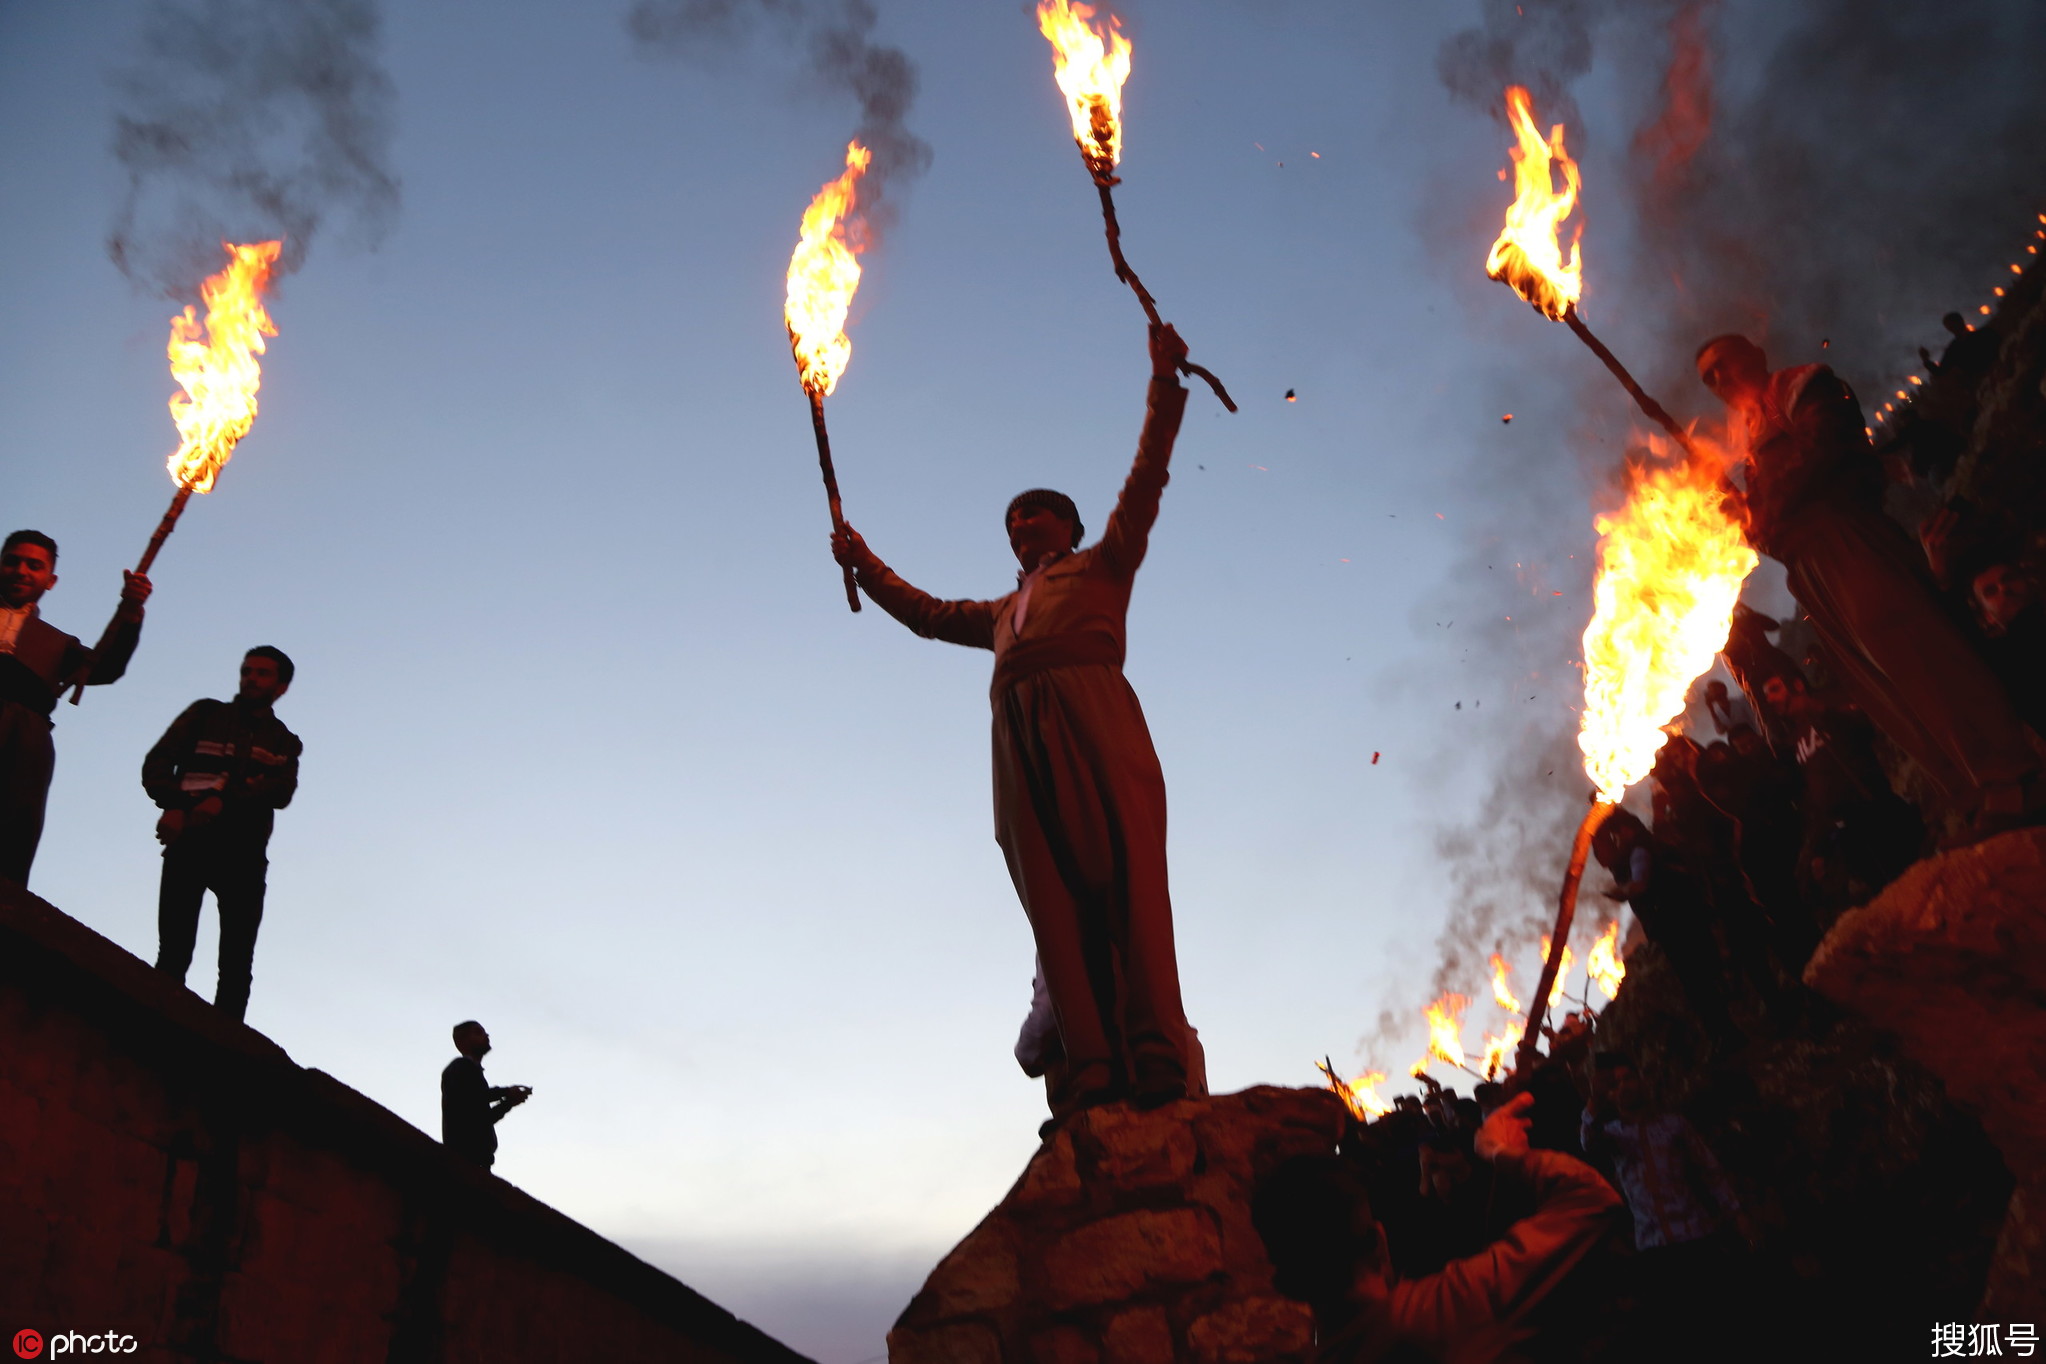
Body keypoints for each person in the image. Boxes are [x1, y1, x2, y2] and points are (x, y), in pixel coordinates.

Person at [832, 323, 1197, 1120]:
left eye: (1035, 515)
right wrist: (865, 563)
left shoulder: (1103, 567)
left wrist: (1164, 386)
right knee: (1052, 899)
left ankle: (1158, 1054)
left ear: (1067, 527)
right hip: (1016, 738)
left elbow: (1145, 481)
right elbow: (928, 615)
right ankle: (1090, 1062)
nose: (1021, 525)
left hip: (1093, 712)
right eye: (1012, 522)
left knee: (1130, 880)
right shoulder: (1002, 612)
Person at [1696, 335, 2039, 837]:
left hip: (1847, 536)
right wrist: (1741, 510)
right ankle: (1972, 798)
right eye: (1709, 378)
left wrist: (1766, 509)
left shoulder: (1800, 385)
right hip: (1809, 572)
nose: (1719, 381)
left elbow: (1828, 450)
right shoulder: (1749, 444)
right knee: (1883, 689)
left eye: (1723, 366)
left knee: (1920, 655)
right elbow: (1766, 535)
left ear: (1754, 355)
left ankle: (2013, 779)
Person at [1253, 1093, 1621, 1363]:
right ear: (1379, 1242)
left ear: (1285, 1282)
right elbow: (1591, 1199)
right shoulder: (1447, 1310)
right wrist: (1498, 1151)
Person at [142, 648, 302, 1021]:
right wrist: (178, 805)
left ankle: (223, 1049)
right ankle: (154, 1025)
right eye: (247, 671)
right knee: (174, 951)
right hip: (190, 840)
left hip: (244, 852)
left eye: (263, 673)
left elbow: (281, 793)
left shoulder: (285, 741)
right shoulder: (205, 714)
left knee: (235, 965)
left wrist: (218, 798)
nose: (251, 678)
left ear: (281, 686)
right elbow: (159, 762)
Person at [0, 530, 150, 886]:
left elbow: (104, 667)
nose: (21, 570)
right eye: (13, 561)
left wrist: (130, 612)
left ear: (50, 581)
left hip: (26, 736)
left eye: (34, 566)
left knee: (12, 829)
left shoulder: (57, 643)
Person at [1580, 1054, 1751, 1363]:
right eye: (1615, 1084)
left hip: (1698, 1237)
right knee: (1677, 1338)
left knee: (1724, 1328)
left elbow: (1710, 1171)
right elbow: (1588, 1142)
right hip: (1655, 1250)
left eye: (1629, 1078)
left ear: (1641, 1080)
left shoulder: (1674, 1125)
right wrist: (1593, 1099)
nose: (1625, 1087)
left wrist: (1738, 1216)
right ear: (1609, 1095)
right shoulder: (1613, 1136)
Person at [441, 1020, 531, 1169]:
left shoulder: (470, 1071)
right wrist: (507, 1092)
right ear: (461, 1041)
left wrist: (509, 1103)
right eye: (478, 1032)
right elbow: (476, 1097)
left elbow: (481, 1118)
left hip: (477, 1160)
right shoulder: (460, 1067)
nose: (486, 1035)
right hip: (464, 1158)